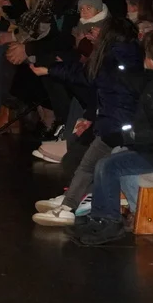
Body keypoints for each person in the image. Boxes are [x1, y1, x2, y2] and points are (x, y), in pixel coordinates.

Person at [67, 27, 153, 246]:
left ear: (150, 59)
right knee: (109, 161)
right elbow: (134, 80)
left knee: (108, 166)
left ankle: (108, 221)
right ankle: (101, 217)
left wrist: (130, 135)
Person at [31, 16, 143, 226]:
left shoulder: (109, 61)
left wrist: (49, 70)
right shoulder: (135, 56)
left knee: (87, 165)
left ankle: (70, 207)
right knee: (89, 164)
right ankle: (73, 199)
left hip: (115, 127)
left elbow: (82, 74)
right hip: (127, 126)